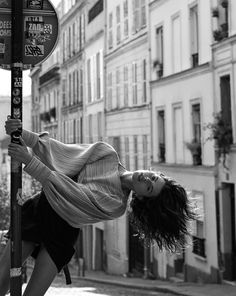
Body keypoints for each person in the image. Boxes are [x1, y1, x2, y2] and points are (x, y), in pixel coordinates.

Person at [0, 118, 196, 296]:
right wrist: (22, 133)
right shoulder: (107, 154)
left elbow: (73, 193)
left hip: (61, 233)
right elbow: (63, 153)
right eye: (153, 177)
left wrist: (30, 161)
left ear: (144, 198)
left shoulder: (116, 204)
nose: (146, 178)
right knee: (0, 282)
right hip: (39, 209)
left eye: (149, 187)